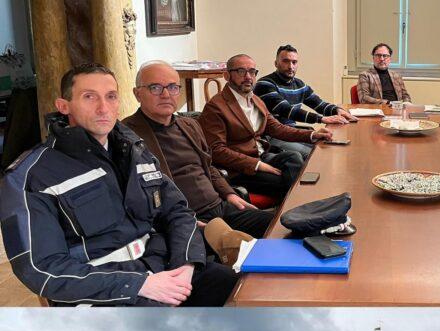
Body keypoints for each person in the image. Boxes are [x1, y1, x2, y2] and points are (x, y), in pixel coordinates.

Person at [0, 63, 236, 306]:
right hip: (105, 294)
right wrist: (140, 284)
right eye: (89, 97)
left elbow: (178, 211)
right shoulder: (30, 176)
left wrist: (186, 264)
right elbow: (42, 268)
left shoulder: (134, 150)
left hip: (163, 267)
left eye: (111, 97)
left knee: (235, 288)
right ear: (63, 105)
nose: (103, 108)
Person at [124, 60, 273, 240]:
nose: (165, 94)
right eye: (155, 87)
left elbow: (208, 166)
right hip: (185, 220)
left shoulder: (189, 125)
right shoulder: (127, 136)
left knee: (279, 227)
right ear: (137, 93)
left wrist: (229, 193)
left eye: (172, 87)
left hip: (220, 208)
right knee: (238, 250)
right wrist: (180, 221)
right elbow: (136, 197)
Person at [200, 54, 332, 200]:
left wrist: (312, 135)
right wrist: (256, 165)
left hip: (262, 155)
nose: (248, 77)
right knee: (288, 181)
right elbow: (217, 151)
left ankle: (304, 205)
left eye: (252, 72)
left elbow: (277, 128)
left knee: (294, 157)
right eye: (241, 71)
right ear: (226, 75)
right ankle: (299, 211)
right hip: (239, 169)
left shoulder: (255, 100)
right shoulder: (216, 107)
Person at [255, 44, 358, 159]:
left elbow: (319, 104)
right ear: (276, 63)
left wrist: (337, 110)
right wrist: (321, 118)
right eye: (286, 61)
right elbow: (287, 110)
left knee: (329, 146)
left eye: (294, 62)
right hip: (273, 136)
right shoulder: (265, 84)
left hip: (293, 132)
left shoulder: (299, 85)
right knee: (315, 154)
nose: (290, 66)